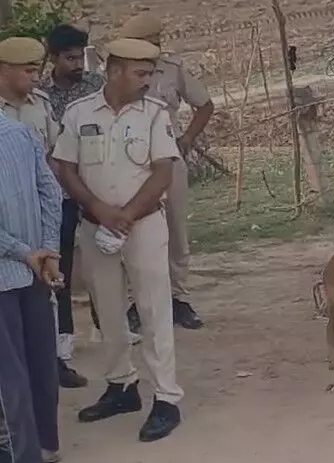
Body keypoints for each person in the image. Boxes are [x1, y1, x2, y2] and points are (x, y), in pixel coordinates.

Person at [53, 38, 184, 442]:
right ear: (113, 71)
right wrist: (97, 208)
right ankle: (121, 386)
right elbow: (64, 166)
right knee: (107, 310)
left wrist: (125, 215)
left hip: (142, 225)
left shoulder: (153, 114)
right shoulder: (78, 113)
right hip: (96, 227)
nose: (147, 81)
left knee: (153, 309)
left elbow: (163, 171)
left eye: (150, 73)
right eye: (140, 73)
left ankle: (166, 398)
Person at [119, 12, 214, 330]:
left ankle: (178, 299)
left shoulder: (172, 70)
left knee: (175, 230)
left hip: (169, 158)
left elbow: (205, 104)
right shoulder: (118, 72)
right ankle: (136, 302)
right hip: (129, 162)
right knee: (130, 230)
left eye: (155, 42)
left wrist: (187, 138)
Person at [40, 23, 106, 389]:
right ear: (53, 58)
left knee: (107, 260)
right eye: (69, 58)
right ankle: (63, 346)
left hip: (96, 189)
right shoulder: (41, 96)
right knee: (60, 269)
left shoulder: (96, 87)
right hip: (60, 195)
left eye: (80, 56)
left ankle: (110, 327)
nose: (77, 63)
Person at [0, 111, 63, 463]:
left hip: (12, 269)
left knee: (10, 374)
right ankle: (47, 446)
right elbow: (51, 194)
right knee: (41, 362)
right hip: (37, 270)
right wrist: (47, 253)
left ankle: (24, 455)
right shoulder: (22, 133)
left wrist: (26, 253)